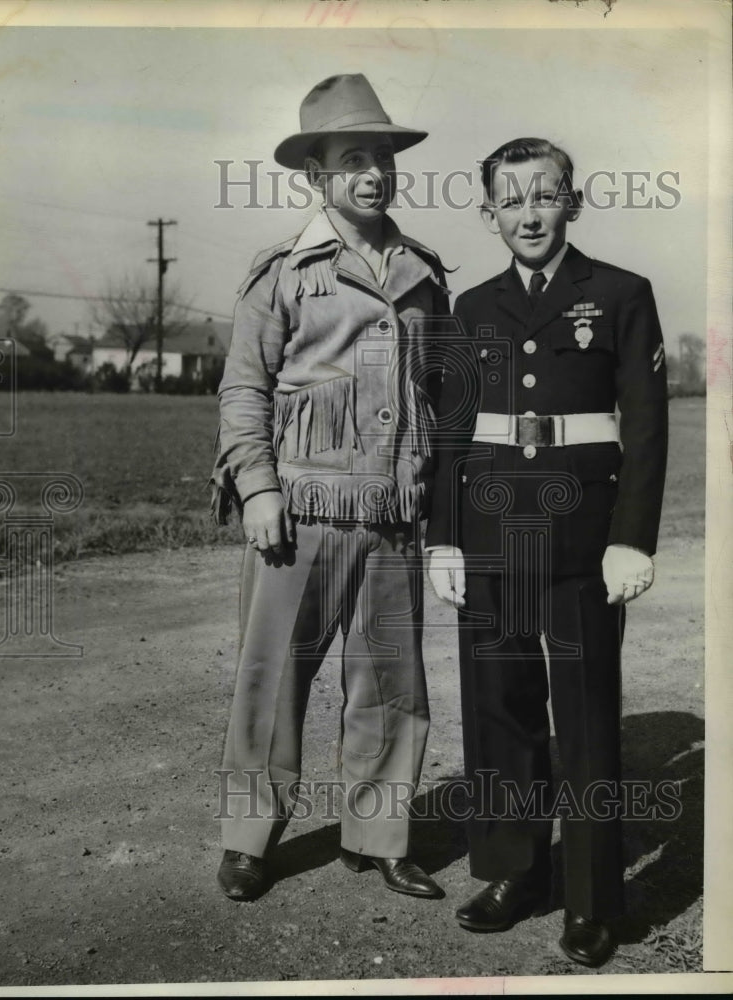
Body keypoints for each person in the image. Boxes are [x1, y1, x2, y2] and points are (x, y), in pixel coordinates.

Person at [426, 137, 668, 966]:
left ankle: (595, 898)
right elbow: (450, 434)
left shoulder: (621, 294)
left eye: (545, 195)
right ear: (488, 212)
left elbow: (646, 426)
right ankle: (513, 872)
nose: (530, 213)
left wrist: (631, 536)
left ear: (574, 201)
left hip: (582, 541)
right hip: (491, 536)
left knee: (589, 717)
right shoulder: (471, 308)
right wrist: (445, 539)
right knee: (499, 710)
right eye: (512, 199)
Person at [211, 74, 449, 902]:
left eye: (382, 157)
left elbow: (440, 392)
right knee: (271, 676)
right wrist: (256, 488)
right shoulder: (281, 271)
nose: (373, 173)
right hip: (301, 506)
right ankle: (248, 837)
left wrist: (434, 493)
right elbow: (244, 388)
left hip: (390, 509)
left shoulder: (423, 273)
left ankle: (378, 836)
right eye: (354, 159)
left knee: (390, 680)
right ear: (317, 177)